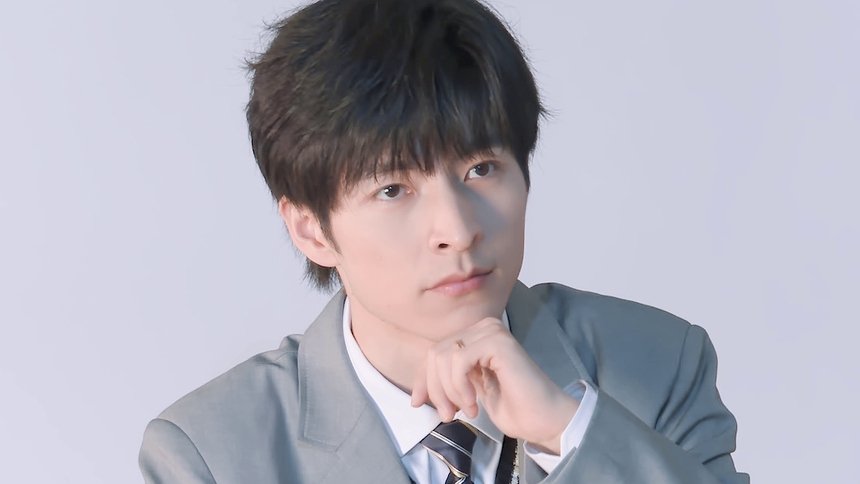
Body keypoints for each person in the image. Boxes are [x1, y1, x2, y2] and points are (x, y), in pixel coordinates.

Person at [139, 0, 748, 482]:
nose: (457, 230)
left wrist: (569, 432)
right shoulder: (211, 454)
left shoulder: (658, 365)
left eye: (482, 168)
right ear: (311, 229)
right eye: (393, 190)